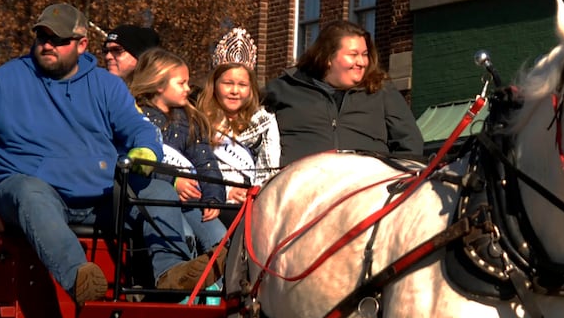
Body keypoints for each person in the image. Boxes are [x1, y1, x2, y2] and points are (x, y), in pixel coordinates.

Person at [0, 3, 199, 304]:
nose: (48, 45)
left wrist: (145, 150)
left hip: (96, 195)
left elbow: (137, 127)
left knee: (156, 188)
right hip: (26, 191)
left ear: (81, 44)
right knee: (29, 190)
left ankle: (172, 272)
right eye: (42, 37)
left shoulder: (106, 85)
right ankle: (79, 278)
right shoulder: (5, 79)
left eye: (58, 39)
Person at [265, 19, 423, 164]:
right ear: (327, 57)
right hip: (300, 186)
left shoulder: (381, 90)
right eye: (353, 55)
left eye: (365, 54)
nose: (361, 62)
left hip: (366, 187)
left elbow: (410, 143)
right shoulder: (283, 89)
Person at [128, 48, 228, 256]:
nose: (188, 89)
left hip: (191, 201)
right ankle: (182, 284)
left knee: (219, 236)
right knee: (183, 236)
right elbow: (138, 166)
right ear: (158, 84)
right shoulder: (135, 118)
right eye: (181, 83)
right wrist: (174, 181)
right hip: (155, 202)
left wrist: (213, 196)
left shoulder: (190, 120)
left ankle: (215, 287)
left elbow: (205, 161)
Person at [197, 28, 281, 214]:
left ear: (251, 88)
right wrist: (226, 192)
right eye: (228, 83)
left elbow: (268, 168)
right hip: (208, 200)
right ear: (214, 85)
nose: (235, 91)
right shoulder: (198, 119)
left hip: (252, 202)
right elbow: (190, 167)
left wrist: (252, 194)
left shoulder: (264, 121)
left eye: (242, 85)